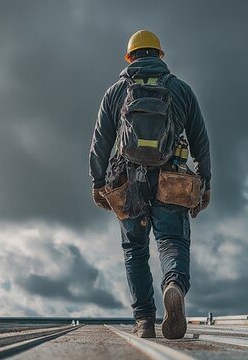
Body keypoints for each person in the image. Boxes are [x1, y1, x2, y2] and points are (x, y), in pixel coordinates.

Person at [89, 30, 212, 339]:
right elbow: (200, 141)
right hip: (172, 178)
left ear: (129, 58)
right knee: (172, 241)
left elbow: (100, 143)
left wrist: (98, 183)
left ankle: (144, 320)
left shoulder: (116, 92)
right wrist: (205, 182)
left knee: (135, 250)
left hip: (128, 182)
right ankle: (173, 285)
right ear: (160, 56)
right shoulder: (181, 90)